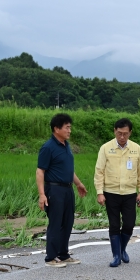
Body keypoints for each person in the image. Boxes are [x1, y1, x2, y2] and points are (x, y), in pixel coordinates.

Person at [36, 113, 87, 267]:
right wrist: (42, 195)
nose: (69, 131)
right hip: (54, 190)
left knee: (68, 222)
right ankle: (50, 258)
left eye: (70, 127)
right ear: (56, 129)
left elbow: (68, 170)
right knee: (56, 223)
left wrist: (78, 184)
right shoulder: (48, 147)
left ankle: (63, 255)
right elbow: (40, 171)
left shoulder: (66, 146)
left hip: (67, 189)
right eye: (67, 128)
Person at [94, 118, 140, 267]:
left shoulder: (136, 148)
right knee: (114, 224)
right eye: (119, 133)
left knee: (129, 224)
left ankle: (122, 249)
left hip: (130, 193)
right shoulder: (105, 148)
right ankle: (116, 255)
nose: (122, 137)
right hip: (111, 192)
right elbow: (99, 171)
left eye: (125, 134)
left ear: (130, 133)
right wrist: (100, 192)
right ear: (114, 131)